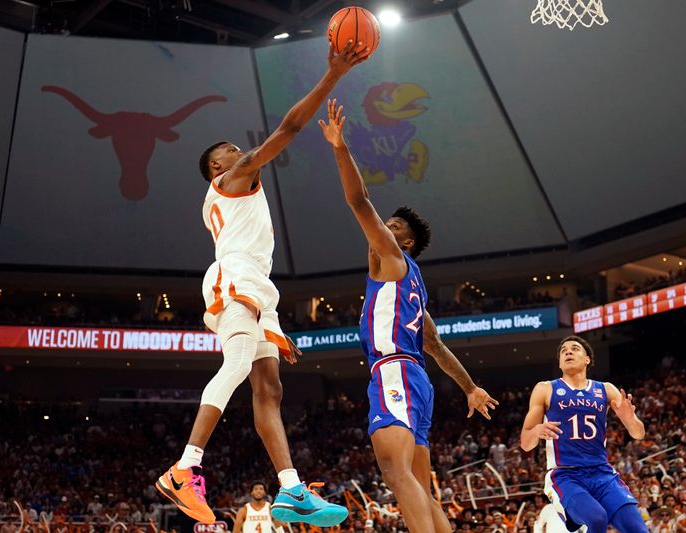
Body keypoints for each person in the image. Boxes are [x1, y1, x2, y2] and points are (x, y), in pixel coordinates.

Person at [154, 42, 368, 526]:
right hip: (235, 278)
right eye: (231, 149)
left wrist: (269, 323)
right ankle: (183, 468)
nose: (241, 151)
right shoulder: (231, 179)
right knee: (237, 363)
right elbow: (289, 129)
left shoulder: (228, 198)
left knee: (269, 389)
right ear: (218, 167)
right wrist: (333, 74)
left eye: (238, 149)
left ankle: (290, 489)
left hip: (255, 284)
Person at [318, 99, 498, 533]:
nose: (385, 227)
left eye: (395, 226)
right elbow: (435, 345)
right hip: (415, 377)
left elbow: (359, 201)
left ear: (408, 242)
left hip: (394, 371)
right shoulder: (413, 285)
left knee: (393, 472)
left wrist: (340, 148)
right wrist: (470, 387)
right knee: (419, 484)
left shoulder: (392, 260)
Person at [520, 335, 648, 533]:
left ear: (587, 359)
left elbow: (638, 433)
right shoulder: (545, 389)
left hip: (602, 473)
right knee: (597, 519)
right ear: (560, 363)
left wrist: (630, 419)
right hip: (565, 475)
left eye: (574, 348)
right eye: (564, 351)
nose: (568, 352)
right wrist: (536, 430)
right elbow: (525, 444)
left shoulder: (605, 389)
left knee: (638, 529)